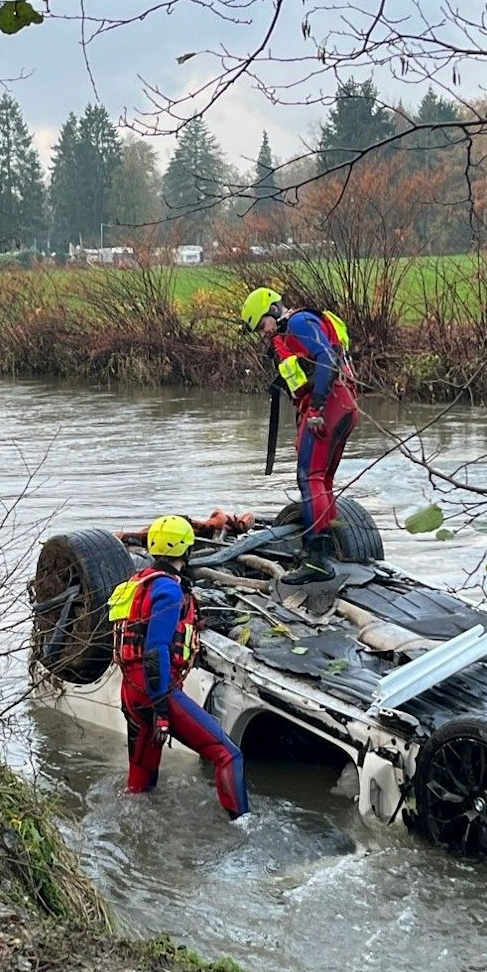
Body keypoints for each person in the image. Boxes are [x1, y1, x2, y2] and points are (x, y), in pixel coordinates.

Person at [108, 515, 248, 818]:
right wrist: (160, 708)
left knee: (140, 784)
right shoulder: (169, 590)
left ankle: (132, 825)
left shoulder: (135, 584)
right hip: (155, 691)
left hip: (130, 692)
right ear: (186, 550)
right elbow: (156, 648)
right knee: (228, 756)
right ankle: (244, 828)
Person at [239, 286, 359, 585]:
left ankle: (317, 559)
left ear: (273, 311)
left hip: (329, 404)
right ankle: (327, 550)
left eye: (262, 325)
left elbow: (326, 358)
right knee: (322, 479)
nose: (262, 333)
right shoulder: (292, 331)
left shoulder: (298, 324)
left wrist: (316, 408)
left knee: (309, 478)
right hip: (342, 404)